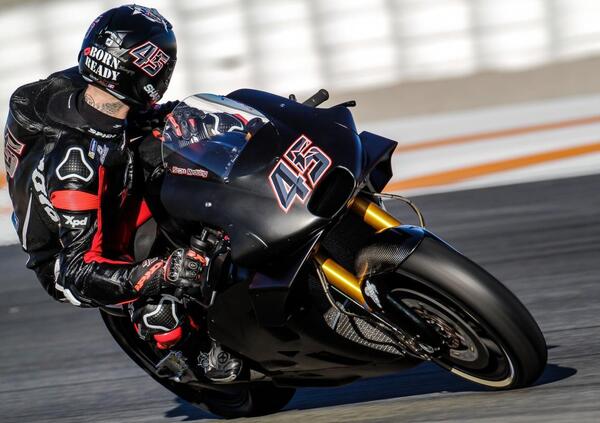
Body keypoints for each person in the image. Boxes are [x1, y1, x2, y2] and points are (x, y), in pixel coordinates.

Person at [3, 4, 241, 382]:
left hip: (111, 183)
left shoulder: (93, 95)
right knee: (161, 307)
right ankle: (190, 353)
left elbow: (153, 117)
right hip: (68, 259)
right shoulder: (75, 166)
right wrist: (161, 272)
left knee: (193, 144)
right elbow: (77, 271)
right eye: (160, 61)